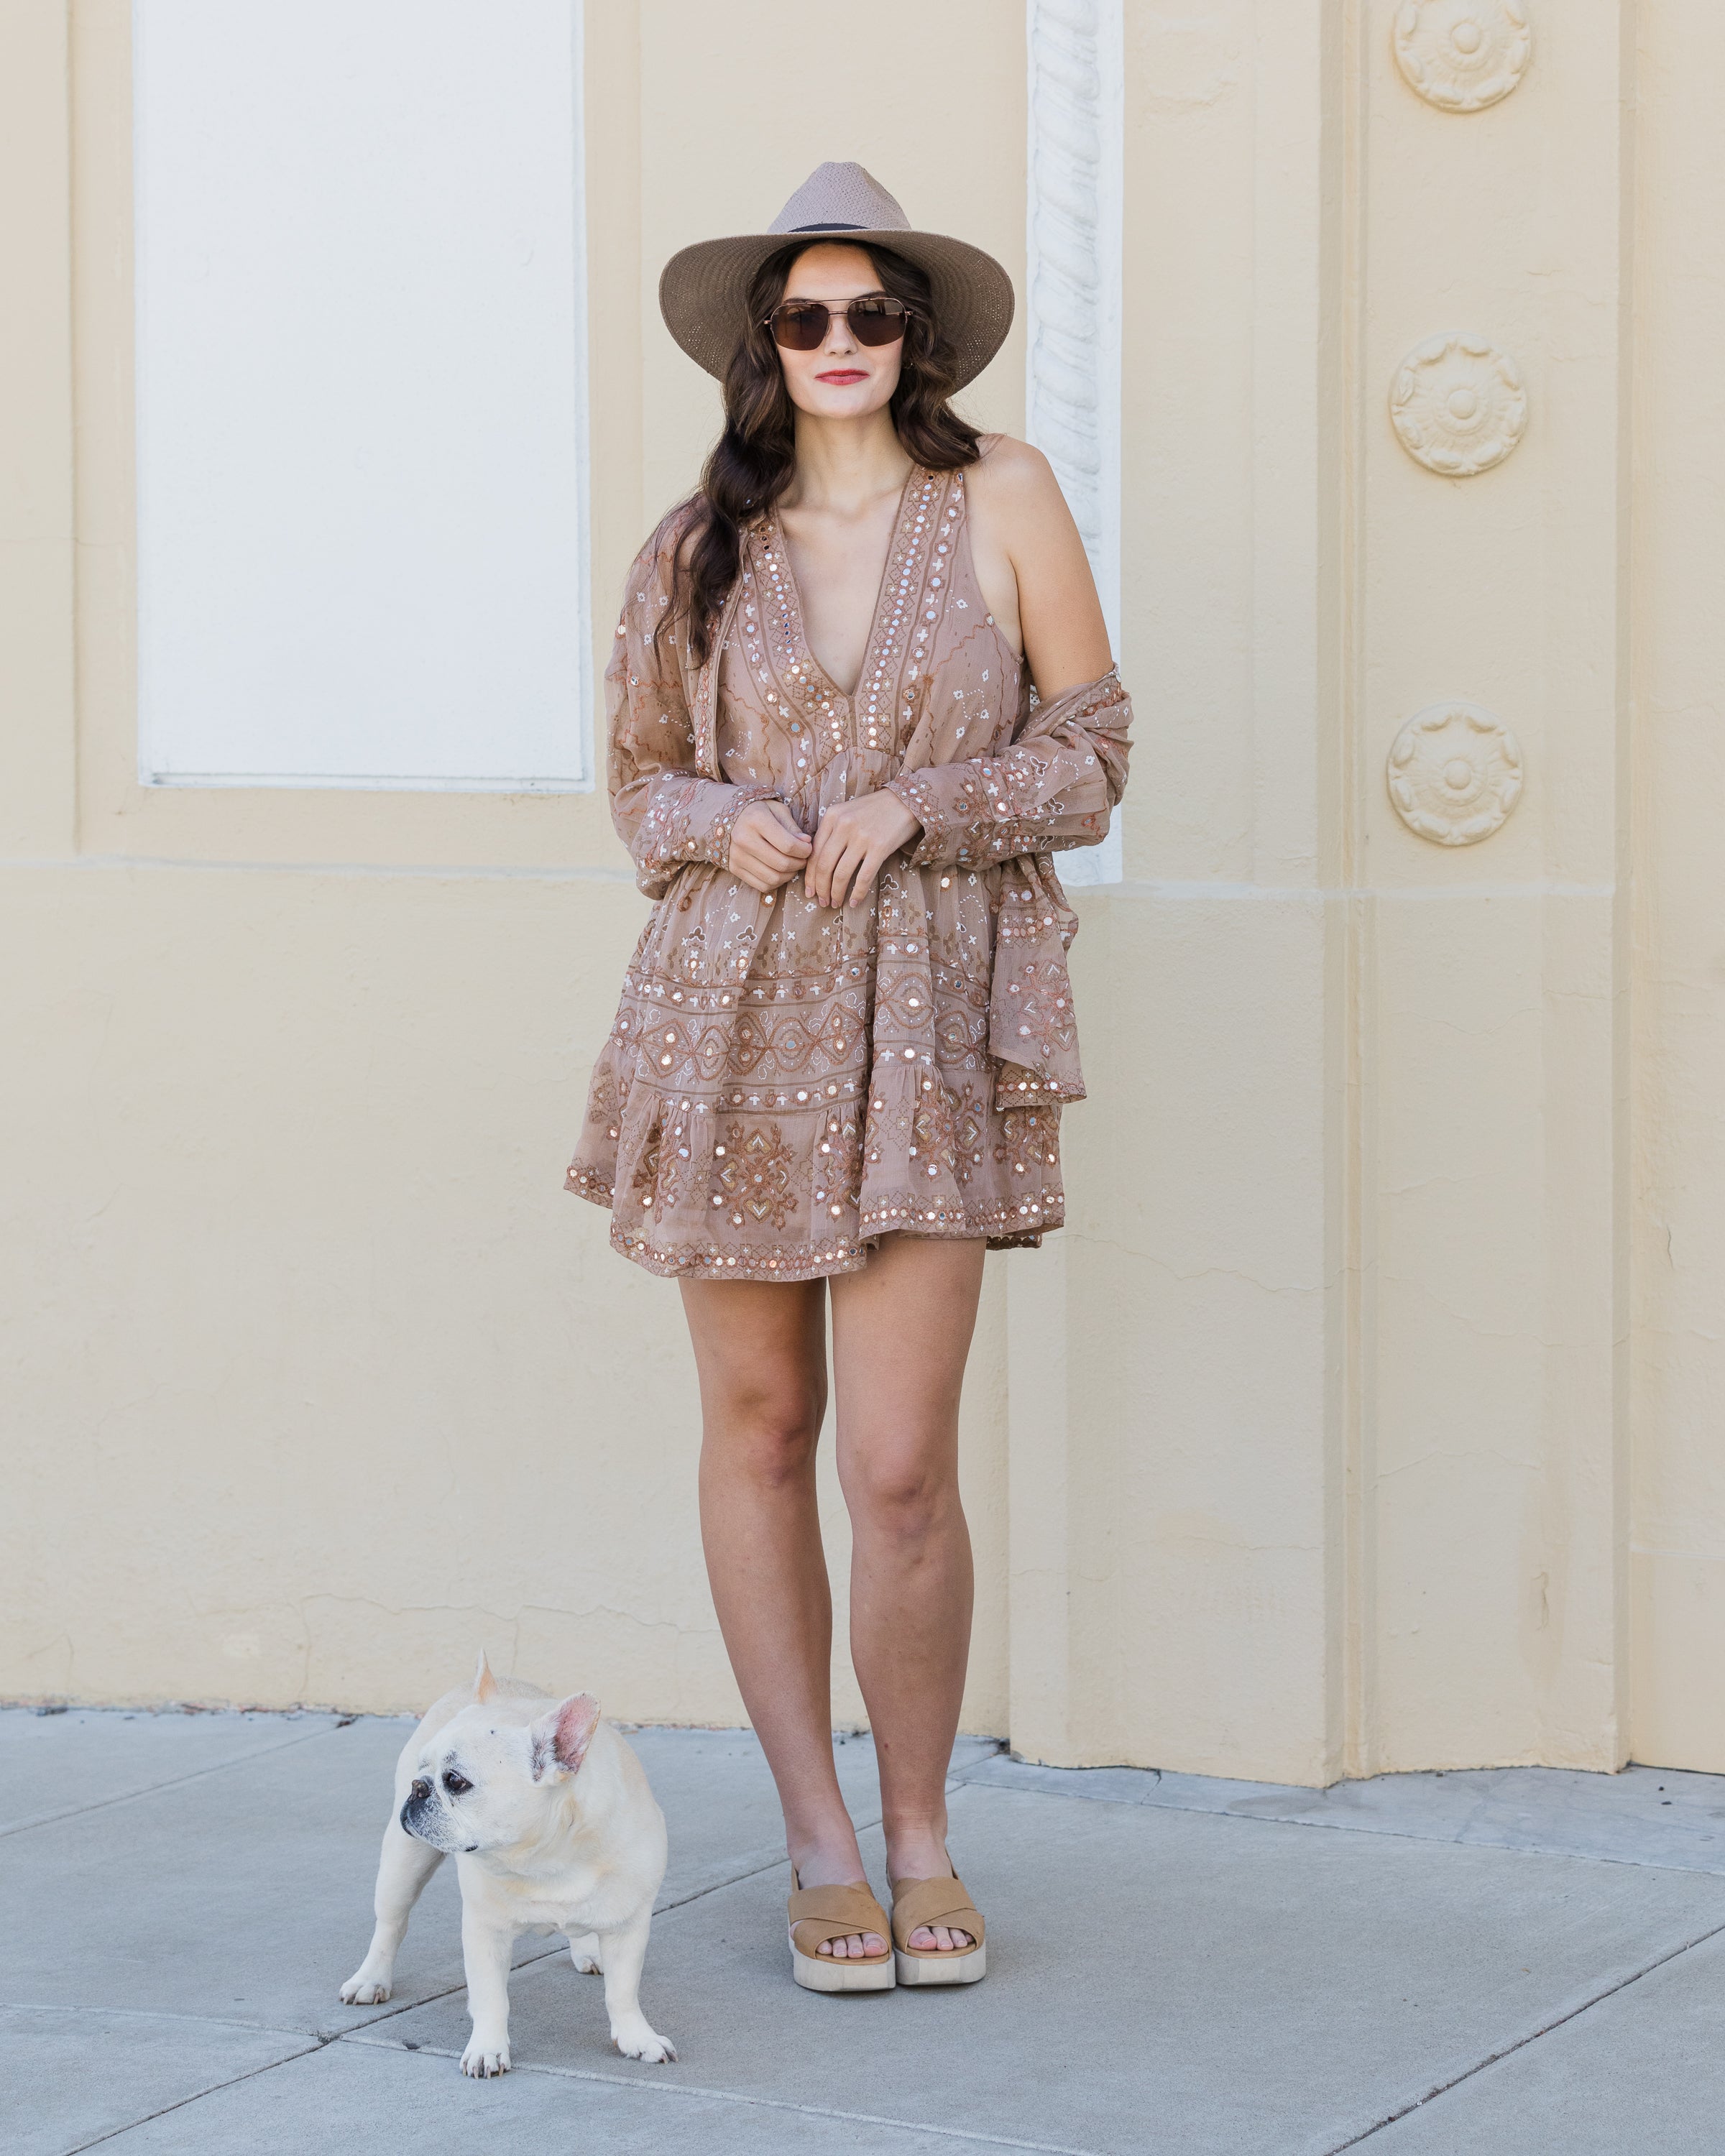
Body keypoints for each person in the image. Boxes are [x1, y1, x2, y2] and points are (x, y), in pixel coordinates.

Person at [566, 162, 1131, 1991]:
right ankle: (816, 1843)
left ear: (919, 337)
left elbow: (1095, 750)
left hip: (925, 1033)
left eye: (869, 316)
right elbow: (640, 783)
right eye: (802, 318)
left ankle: (920, 1834)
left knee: (899, 1468)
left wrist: (920, 804)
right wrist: (723, 817)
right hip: (725, 1020)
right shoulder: (691, 545)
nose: (836, 344)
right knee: (761, 1432)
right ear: (762, 344)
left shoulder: (1005, 498)